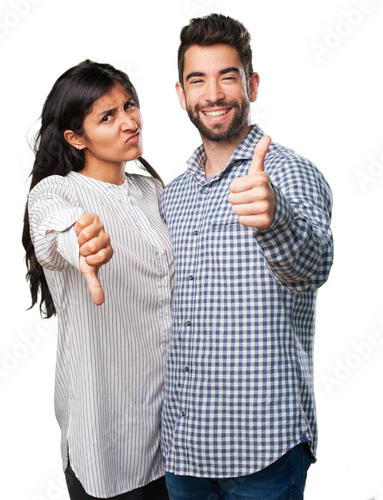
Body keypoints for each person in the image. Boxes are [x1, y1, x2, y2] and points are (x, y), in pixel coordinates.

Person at [160, 14, 333, 500]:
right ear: (181, 94)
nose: (213, 93)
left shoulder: (290, 173)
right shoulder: (172, 196)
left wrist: (275, 214)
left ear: (251, 84)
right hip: (182, 450)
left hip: (264, 454)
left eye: (227, 76)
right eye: (198, 79)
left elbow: (314, 265)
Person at [22, 60, 173, 500]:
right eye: (107, 116)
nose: (129, 121)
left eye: (129, 105)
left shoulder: (154, 192)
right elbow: (57, 231)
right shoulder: (56, 192)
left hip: (176, 434)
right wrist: (82, 245)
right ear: (75, 137)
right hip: (106, 444)